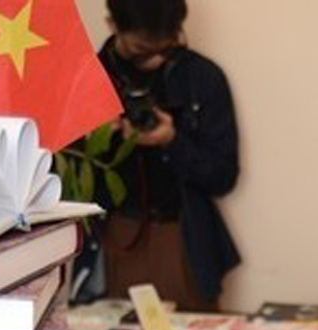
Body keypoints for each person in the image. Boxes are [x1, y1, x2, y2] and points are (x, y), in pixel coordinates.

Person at [93, 0, 239, 311]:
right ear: (113, 25)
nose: (156, 59)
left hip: (184, 236)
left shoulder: (202, 77)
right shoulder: (91, 78)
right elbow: (61, 177)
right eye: (142, 49)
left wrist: (173, 141)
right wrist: (100, 137)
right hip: (116, 235)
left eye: (167, 47)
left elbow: (224, 176)